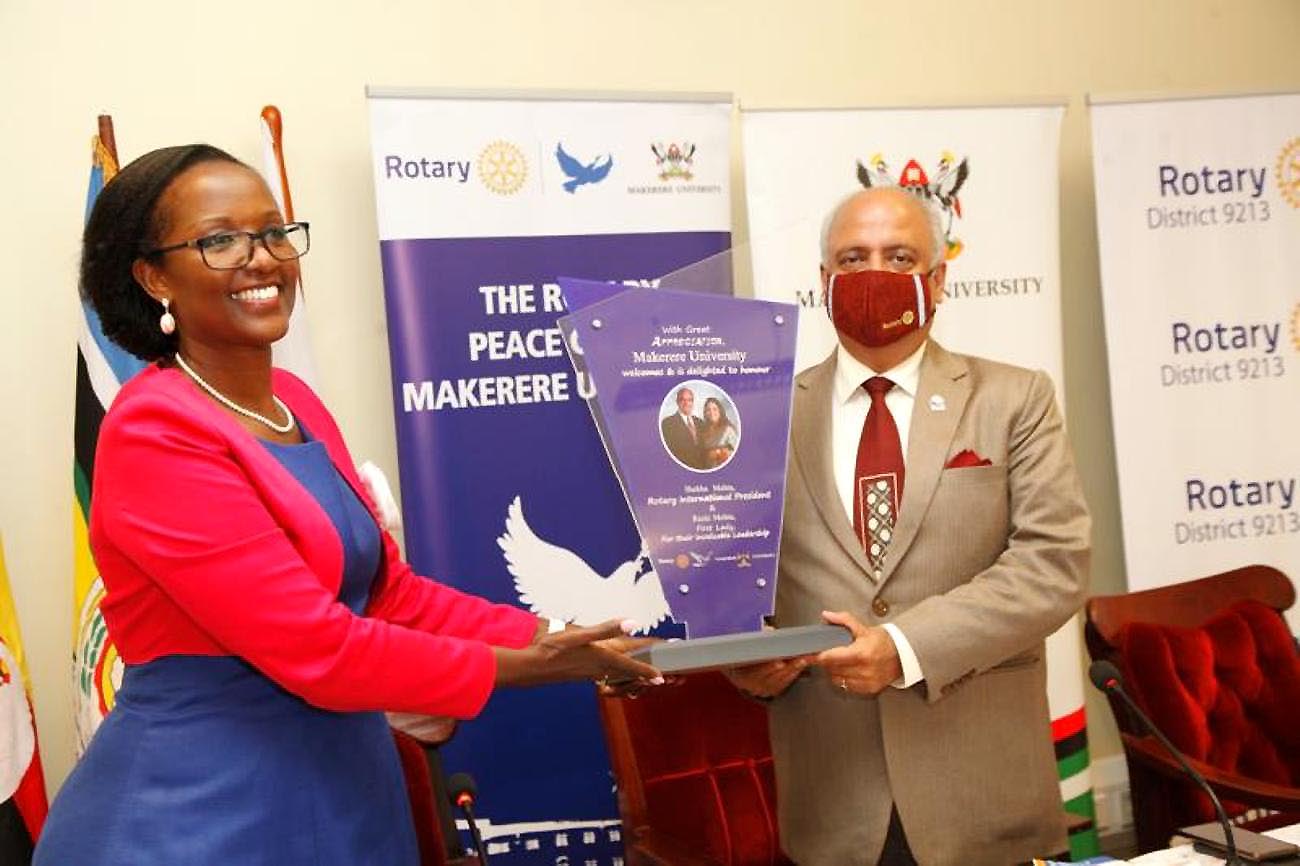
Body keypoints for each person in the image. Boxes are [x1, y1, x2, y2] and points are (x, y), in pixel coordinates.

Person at [35, 144, 661, 866]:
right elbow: (315, 646)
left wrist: (567, 634)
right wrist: (531, 666)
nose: (261, 257)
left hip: (341, 793)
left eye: (273, 232)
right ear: (152, 277)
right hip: (200, 810)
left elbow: (392, 595)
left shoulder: (293, 404)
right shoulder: (155, 430)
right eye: (219, 240)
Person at [726, 186, 1090, 865]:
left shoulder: (1015, 399)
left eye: (899, 257)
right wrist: (744, 663)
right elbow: (733, 581)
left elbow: (1054, 565)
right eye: (853, 258)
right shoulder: (759, 415)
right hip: (832, 803)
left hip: (983, 797)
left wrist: (903, 645)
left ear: (937, 279)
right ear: (824, 282)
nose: (875, 275)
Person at [660, 385, 707, 469]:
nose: (686, 403)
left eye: (689, 400)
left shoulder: (700, 422)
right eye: (682, 400)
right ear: (677, 402)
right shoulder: (667, 423)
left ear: (693, 402)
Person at [699, 396, 739, 469]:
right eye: (708, 410)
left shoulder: (728, 429)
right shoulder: (703, 432)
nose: (711, 412)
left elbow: (738, 453)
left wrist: (719, 453)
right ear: (705, 413)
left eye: (715, 409)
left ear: (720, 411)